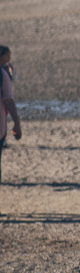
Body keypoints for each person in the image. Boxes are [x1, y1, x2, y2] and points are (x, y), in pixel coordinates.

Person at [0, 46, 23, 184]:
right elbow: (9, 100)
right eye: (7, 55)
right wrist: (17, 124)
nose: (9, 58)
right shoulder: (2, 74)